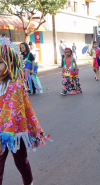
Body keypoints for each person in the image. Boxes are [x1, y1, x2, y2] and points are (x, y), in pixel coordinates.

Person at [0, 37, 51, 185]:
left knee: (21, 162)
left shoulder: (16, 86)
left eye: (0, 62)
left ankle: (28, 182)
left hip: (15, 134)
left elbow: (20, 112)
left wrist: (6, 132)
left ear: (10, 63)